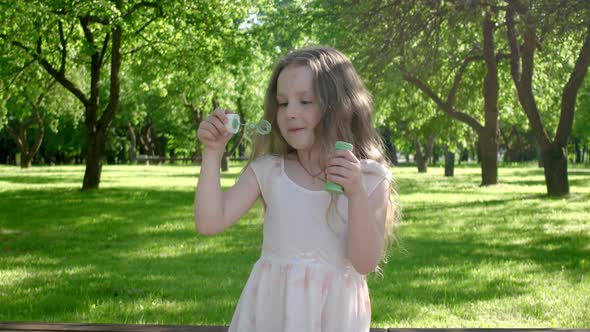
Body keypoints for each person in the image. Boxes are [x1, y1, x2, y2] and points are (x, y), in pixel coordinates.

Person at [194, 46, 400, 332]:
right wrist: (213, 153)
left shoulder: (370, 179)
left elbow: (364, 263)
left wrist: (354, 194)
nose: (290, 112)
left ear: (339, 106)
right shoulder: (269, 171)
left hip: (335, 321)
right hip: (270, 317)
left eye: (305, 101)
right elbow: (209, 222)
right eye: (282, 103)